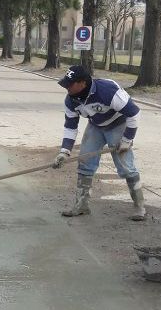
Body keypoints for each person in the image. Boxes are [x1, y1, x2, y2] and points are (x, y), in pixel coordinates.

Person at [52, 65, 145, 221]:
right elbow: (70, 126)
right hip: (96, 126)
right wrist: (64, 151)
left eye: (70, 84)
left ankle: (139, 206)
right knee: (85, 162)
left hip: (118, 124)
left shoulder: (107, 91)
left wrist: (127, 140)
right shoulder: (71, 100)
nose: (66, 87)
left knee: (126, 167)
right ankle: (81, 205)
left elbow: (134, 114)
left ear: (82, 83)